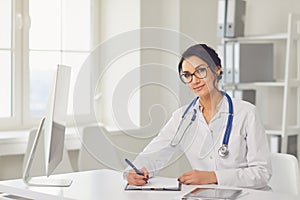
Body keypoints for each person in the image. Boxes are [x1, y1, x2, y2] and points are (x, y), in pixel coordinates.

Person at [124, 44, 272, 189]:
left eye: (200, 71)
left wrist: (213, 177)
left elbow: (262, 173)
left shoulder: (246, 113)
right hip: (205, 194)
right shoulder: (182, 117)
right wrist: (132, 173)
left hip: (247, 194)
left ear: (217, 70)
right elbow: (153, 154)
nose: (194, 81)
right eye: (187, 75)